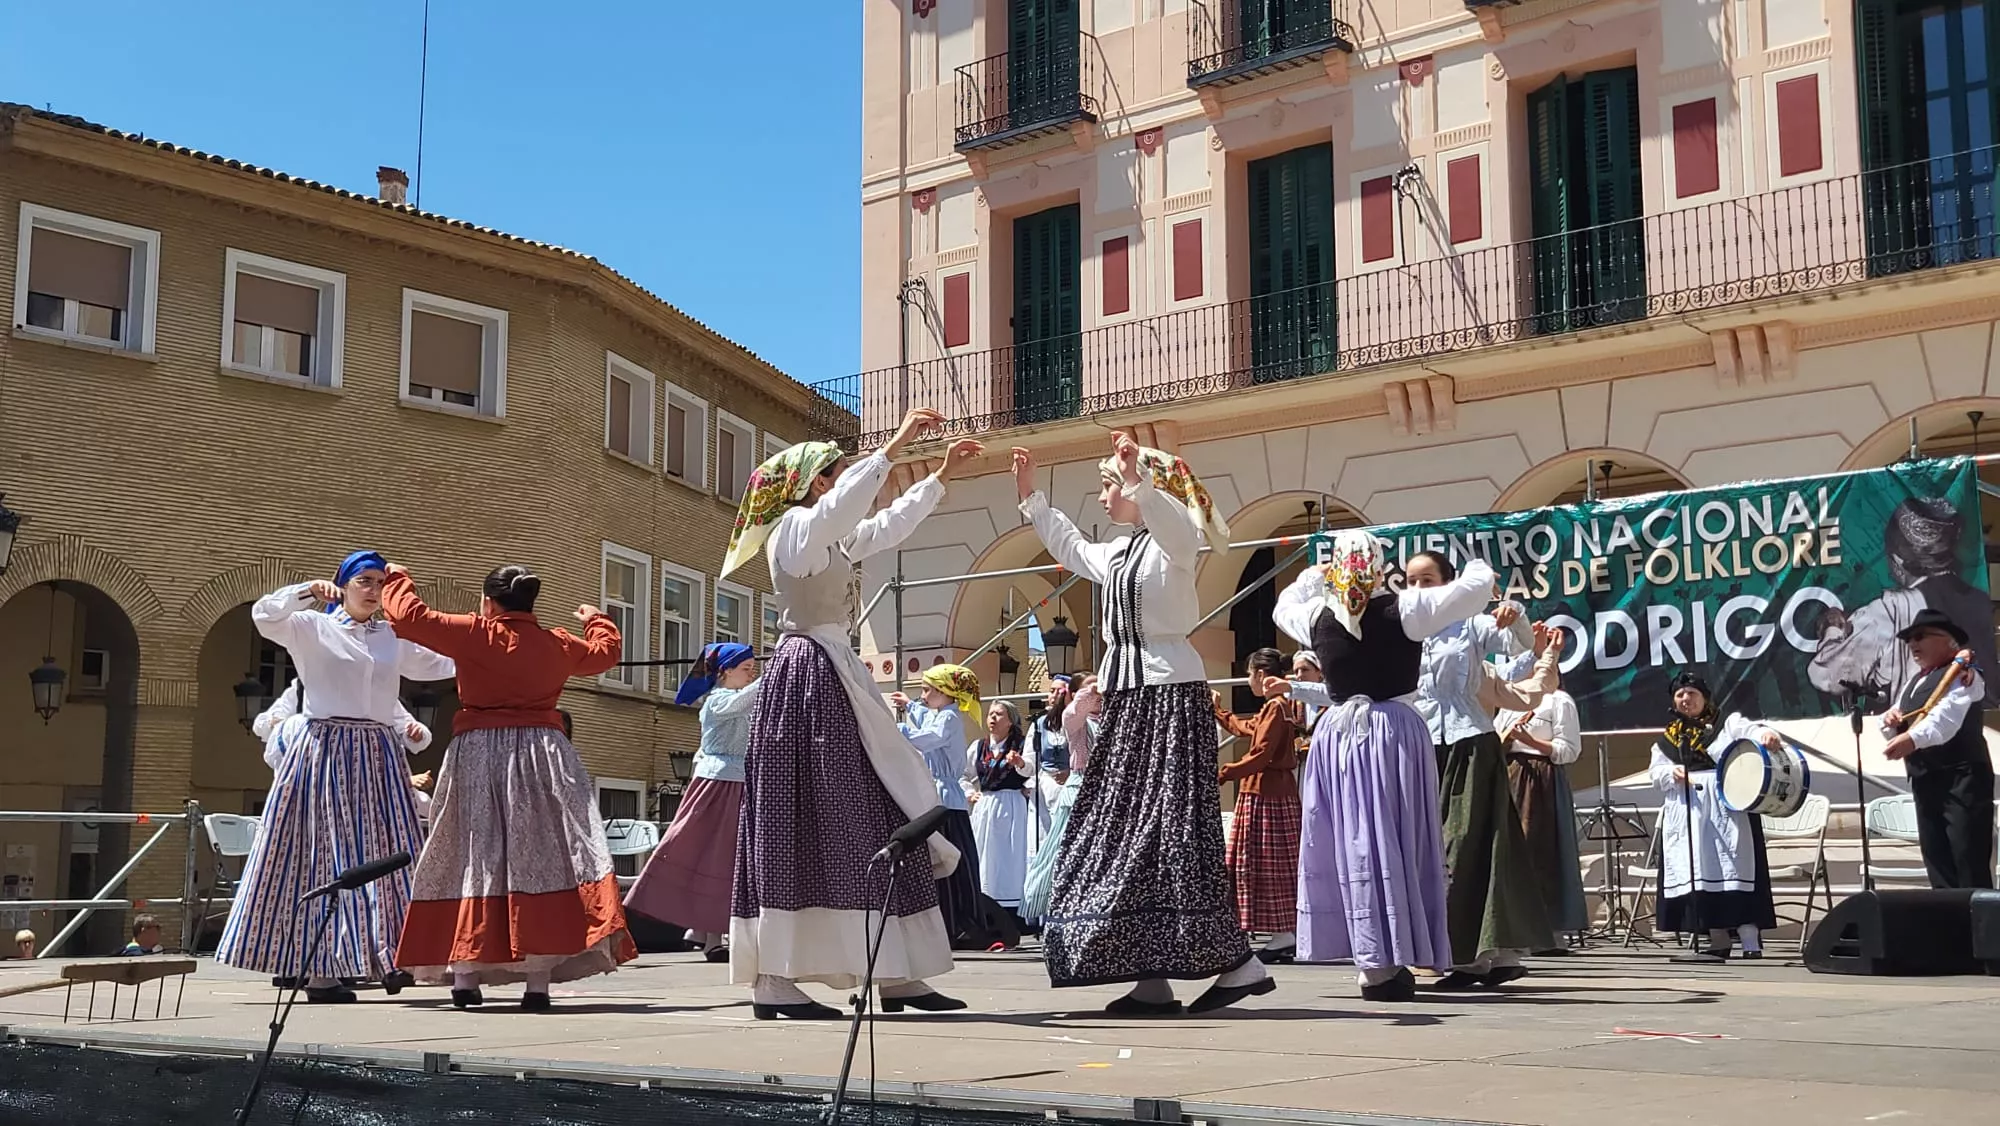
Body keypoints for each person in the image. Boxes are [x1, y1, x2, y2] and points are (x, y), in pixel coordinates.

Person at [722, 412, 982, 1020]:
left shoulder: (827, 537)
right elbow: (845, 510)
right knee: (808, 817)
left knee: (875, 809)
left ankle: (895, 972)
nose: (844, 481)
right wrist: (894, 446)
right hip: (809, 678)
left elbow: (884, 526)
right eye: (838, 472)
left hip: (834, 674)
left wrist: (939, 478)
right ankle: (774, 979)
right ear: (818, 482)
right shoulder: (795, 530)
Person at [1012, 435, 1271, 1016]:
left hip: (1169, 698)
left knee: (1172, 831)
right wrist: (1032, 498)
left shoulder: (1173, 542)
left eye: (1109, 486)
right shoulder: (1118, 552)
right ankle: (1150, 977)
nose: (1104, 496)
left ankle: (1237, 962)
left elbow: (1175, 524)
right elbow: (1071, 545)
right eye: (1108, 485)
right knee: (1127, 835)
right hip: (1130, 703)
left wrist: (1138, 479)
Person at [1270, 532, 1525, 1002]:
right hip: (1392, 732)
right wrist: (1478, 569)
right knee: (1396, 838)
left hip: (1338, 735)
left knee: (1351, 841)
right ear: (1379, 568)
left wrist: (1313, 577)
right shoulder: (1405, 609)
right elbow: (1472, 589)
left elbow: (1284, 602)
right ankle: (1394, 954)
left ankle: (1372, 961)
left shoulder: (1315, 615)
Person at [383, 562, 631, 1011]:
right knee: (541, 857)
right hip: (544, 755)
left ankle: (465, 977)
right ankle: (537, 984)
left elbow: (408, 617)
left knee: (471, 853)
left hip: (480, 752)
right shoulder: (557, 643)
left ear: (488, 602)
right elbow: (605, 653)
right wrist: (596, 618)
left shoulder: (475, 633)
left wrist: (398, 577)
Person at [217, 552, 456, 1004]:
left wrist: (490, 645)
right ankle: (320, 971)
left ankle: (390, 955)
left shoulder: (391, 637)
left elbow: (442, 663)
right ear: (342, 585)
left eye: (380, 582)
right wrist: (307, 591)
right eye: (364, 580)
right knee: (320, 855)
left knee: (392, 851)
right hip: (325, 749)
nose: (374, 589)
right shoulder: (313, 627)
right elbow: (265, 616)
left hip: (378, 753)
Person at [1404, 550, 1553, 990]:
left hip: (1470, 742)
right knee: (1433, 847)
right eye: (1411, 581)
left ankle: (1471, 957)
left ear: (1450, 585)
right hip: (1424, 745)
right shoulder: (1406, 630)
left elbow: (1518, 644)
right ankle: (1495, 955)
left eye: (1428, 580)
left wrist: (1514, 613)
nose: (1419, 589)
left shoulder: (1469, 624)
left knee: (1467, 843)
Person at [625, 642, 762, 962]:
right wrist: (782, 667)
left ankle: (704, 931)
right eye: (746, 669)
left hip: (736, 784)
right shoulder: (717, 700)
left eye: (753, 670)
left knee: (723, 859)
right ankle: (707, 933)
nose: (751, 675)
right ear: (725, 672)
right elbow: (747, 699)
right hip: (717, 786)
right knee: (713, 856)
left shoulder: (739, 700)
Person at [1811, 496, 2000, 707]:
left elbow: (1827, 675)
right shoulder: (1980, 599)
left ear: (1897, 561)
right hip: (1976, 718)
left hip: (1922, 722)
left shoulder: (1890, 610)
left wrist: (1832, 629)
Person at [1650, 671, 1783, 958]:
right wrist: (1671, 772)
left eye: (1692, 693)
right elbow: (1655, 772)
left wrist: (1765, 735)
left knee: (1735, 867)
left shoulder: (1726, 723)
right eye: (1680, 695)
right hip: (1691, 810)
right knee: (1702, 871)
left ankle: (1750, 942)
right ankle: (1718, 940)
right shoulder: (1668, 739)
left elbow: (1751, 731)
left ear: (1705, 698)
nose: (1686, 699)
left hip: (1727, 804)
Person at [1880, 608, 1994, 889]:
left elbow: (1946, 719)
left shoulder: (1965, 676)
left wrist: (1912, 739)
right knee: (1937, 861)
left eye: (1920, 636)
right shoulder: (1914, 682)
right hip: (1925, 779)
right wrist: (1892, 721)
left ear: (1948, 641)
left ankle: (1978, 919)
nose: (1913, 644)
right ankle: (1945, 916)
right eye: (1909, 639)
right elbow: (1896, 718)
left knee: (1967, 861)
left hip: (1962, 780)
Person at [1213, 648, 1301, 963]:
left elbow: (1261, 752)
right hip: (1271, 791)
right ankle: (1282, 934)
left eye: (1250, 673)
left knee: (1263, 863)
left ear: (1261, 674)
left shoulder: (1276, 708)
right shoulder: (1276, 707)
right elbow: (1248, 730)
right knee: (1269, 863)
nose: (1249, 680)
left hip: (1266, 794)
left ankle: (1282, 935)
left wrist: (1224, 773)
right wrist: (1219, 712)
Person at [893, 663, 984, 949]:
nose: (922, 696)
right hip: (939, 796)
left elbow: (928, 739)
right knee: (944, 860)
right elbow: (928, 723)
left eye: (926, 690)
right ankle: (950, 922)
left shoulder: (949, 718)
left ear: (944, 692)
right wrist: (909, 706)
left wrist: (897, 729)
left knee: (948, 861)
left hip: (946, 801)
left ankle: (957, 923)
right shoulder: (943, 715)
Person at [253, 682, 436, 821]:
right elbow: (263, 727)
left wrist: (416, 734)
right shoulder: (303, 694)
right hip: (311, 797)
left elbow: (413, 731)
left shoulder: (373, 690)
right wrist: (277, 723)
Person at [1496, 677, 1589, 942]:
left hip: (1541, 778)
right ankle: (1515, 929)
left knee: (1541, 848)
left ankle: (1549, 931)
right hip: (1510, 773)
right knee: (1511, 850)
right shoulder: (1510, 702)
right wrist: (1506, 739)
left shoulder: (1558, 700)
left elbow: (1569, 750)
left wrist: (1530, 740)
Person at [1023, 676, 1099, 921]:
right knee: (1066, 852)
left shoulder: (1113, 718)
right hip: (1079, 791)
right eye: (1089, 688)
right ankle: (1055, 909)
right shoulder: (1074, 719)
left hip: (1106, 793)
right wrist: (1092, 689)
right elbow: (1074, 712)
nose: (1098, 693)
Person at [966, 700, 1034, 924]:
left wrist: (1020, 765)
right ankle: (985, 906)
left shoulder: (1022, 745)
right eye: (990, 714)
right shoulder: (979, 746)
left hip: (1012, 806)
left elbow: (1033, 771)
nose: (992, 718)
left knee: (1010, 857)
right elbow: (962, 773)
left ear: (1010, 721)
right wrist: (970, 793)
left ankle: (1013, 912)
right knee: (986, 856)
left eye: (999, 714)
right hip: (986, 806)